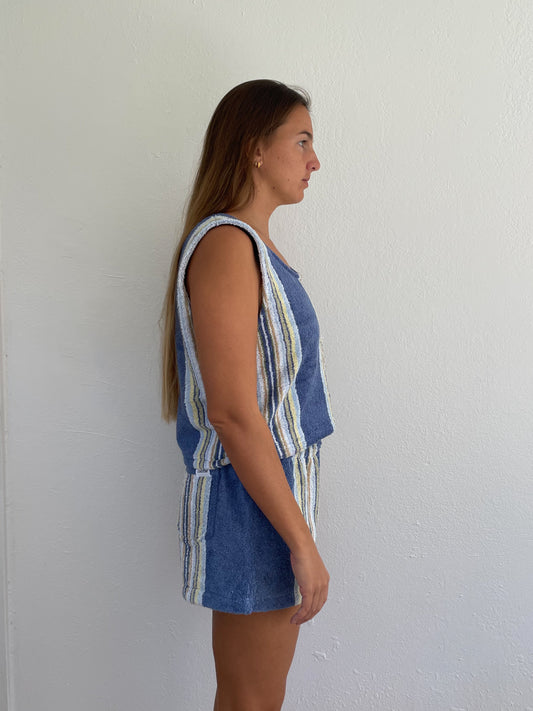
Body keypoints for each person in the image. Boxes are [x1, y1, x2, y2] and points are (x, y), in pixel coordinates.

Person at [160, 79, 334, 711]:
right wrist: (300, 542)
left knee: (256, 698)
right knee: (251, 700)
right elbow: (233, 413)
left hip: (268, 495)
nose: (315, 160)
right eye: (302, 140)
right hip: (252, 502)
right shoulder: (228, 246)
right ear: (255, 148)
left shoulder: (249, 247)